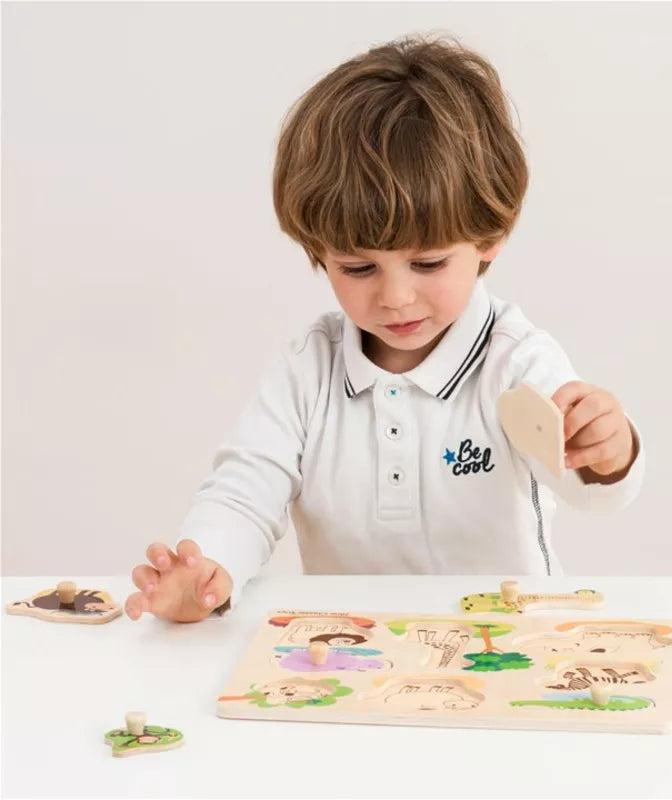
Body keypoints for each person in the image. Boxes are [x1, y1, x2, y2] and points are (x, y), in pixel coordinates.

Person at [125, 34, 644, 624]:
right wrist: (207, 569)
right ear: (319, 254)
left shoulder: (516, 359)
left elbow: (590, 487)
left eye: (428, 263)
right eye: (358, 268)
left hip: (507, 646)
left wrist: (609, 449)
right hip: (351, 653)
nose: (395, 297)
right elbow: (246, 491)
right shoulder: (308, 368)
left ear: (490, 238)